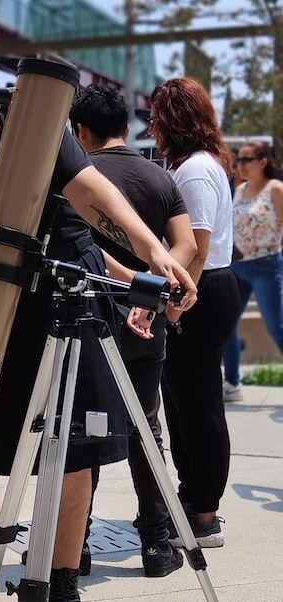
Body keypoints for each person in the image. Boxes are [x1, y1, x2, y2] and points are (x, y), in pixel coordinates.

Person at [0, 48, 196, 602]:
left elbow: (89, 189)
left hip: (62, 297)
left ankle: (61, 583)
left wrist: (154, 252)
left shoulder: (33, 128)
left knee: (72, 447)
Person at [69, 84, 196, 578]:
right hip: (147, 320)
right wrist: (150, 291)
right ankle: (157, 545)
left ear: (80, 131)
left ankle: (74, 546)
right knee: (146, 427)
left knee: (82, 428)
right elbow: (183, 245)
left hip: (85, 317)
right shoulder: (160, 178)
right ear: (127, 126)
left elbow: (79, 246)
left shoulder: (75, 176)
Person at [149, 77, 241, 549]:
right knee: (184, 401)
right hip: (202, 286)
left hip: (200, 288)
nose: (152, 125)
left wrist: (172, 301)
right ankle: (193, 501)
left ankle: (204, 512)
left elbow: (198, 248)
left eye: (156, 115)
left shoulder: (193, 171)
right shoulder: (200, 165)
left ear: (171, 119)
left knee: (198, 404)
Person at [222, 140, 283, 402]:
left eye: (247, 160)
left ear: (262, 162)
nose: (240, 165)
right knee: (226, 325)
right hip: (239, 266)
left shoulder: (275, 189)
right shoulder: (241, 189)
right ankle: (232, 383)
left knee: (276, 327)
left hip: (266, 266)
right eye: (239, 160)